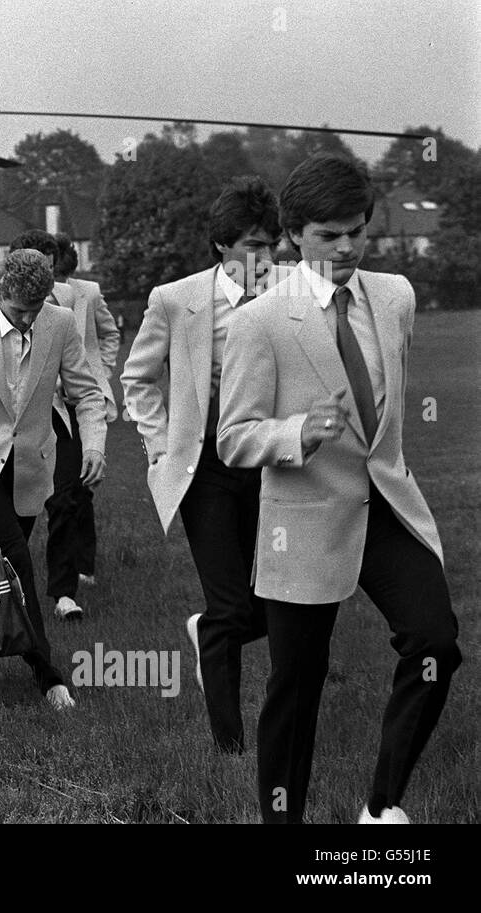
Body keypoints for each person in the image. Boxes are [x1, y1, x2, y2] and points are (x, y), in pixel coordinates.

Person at [217, 153, 462, 823]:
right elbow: (233, 437)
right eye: (329, 234)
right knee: (295, 687)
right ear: (294, 234)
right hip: (303, 517)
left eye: (357, 229)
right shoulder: (259, 322)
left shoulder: (396, 297)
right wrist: (296, 431)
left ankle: (380, 807)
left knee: (435, 643)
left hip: (387, 506)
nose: (348, 246)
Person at [121, 175, 283, 754]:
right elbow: (137, 378)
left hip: (270, 466)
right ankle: (229, 742)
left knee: (278, 603)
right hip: (204, 470)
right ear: (222, 244)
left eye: (271, 245)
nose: (263, 258)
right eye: (251, 245)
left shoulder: (291, 296)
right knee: (232, 603)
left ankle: (207, 632)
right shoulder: (175, 299)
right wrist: (162, 445)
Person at [0, 249, 107, 709]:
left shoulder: (61, 323)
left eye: (36, 308)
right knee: (15, 564)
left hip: (31, 465)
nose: (29, 318)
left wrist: (93, 445)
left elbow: (87, 393)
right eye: (19, 310)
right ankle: (47, 673)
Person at [47, 233, 119, 601]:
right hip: (49, 399)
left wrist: (101, 368)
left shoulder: (88, 292)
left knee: (82, 486)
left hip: (83, 394)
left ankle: (84, 563)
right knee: (60, 487)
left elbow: (109, 333)